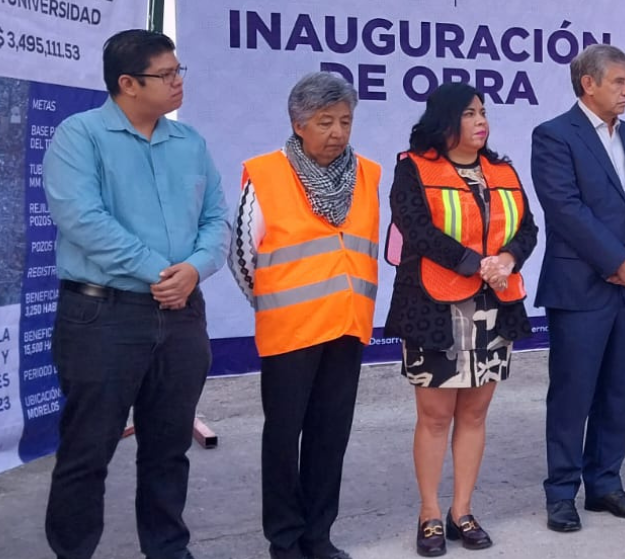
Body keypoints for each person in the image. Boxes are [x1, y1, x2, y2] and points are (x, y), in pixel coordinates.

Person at [43, 29, 229, 559]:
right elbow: (82, 220)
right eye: (166, 75)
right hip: (103, 315)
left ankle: (168, 549)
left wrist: (192, 271)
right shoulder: (80, 136)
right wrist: (160, 271)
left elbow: (217, 220)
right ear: (128, 84)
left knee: (169, 450)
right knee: (87, 451)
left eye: (178, 71)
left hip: (181, 317)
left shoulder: (188, 142)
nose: (178, 83)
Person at [229, 73, 380, 559]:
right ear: (298, 124)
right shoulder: (268, 172)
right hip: (290, 329)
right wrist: (275, 300)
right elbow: (242, 255)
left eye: (345, 121)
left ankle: (319, 535)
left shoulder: (368, 173)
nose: (337, 132)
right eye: (324, 122)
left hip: (347, 325)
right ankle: (286, 539)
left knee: (329, 437)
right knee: (282, 437)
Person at [383, 83, 538, 555]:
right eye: (470, 113)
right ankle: (429, 513)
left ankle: (461, 511)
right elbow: (416, 229)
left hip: (494, 305)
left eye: (483, 112)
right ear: (446, 121)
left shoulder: (502, 169)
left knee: (474, 413)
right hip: (433, 307)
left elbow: (527, 227)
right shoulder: (412, 169)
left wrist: (508, 259)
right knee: (434, 417)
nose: (480, 121)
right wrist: (475, 262)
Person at [531, 44, 625, 532]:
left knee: (617, 393)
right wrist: (617, 260)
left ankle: (605, 483)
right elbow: (565, 210)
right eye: (619, 82)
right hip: (581, 286)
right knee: (573, 394)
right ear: (588, 83)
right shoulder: (553, 136)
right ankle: (561, 492)